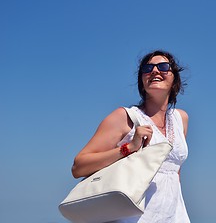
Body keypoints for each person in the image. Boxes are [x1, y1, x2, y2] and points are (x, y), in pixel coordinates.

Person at [71, 50, 191, 223]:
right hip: (134, 218)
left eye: (163, 67)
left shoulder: (181, 119)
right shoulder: (124, 117)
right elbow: (78, 167)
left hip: (175, 216)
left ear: (174, 80)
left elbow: (174, 172)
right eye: (148, 68)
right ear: (142, 81)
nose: (155, 71)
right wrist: (129, 148)